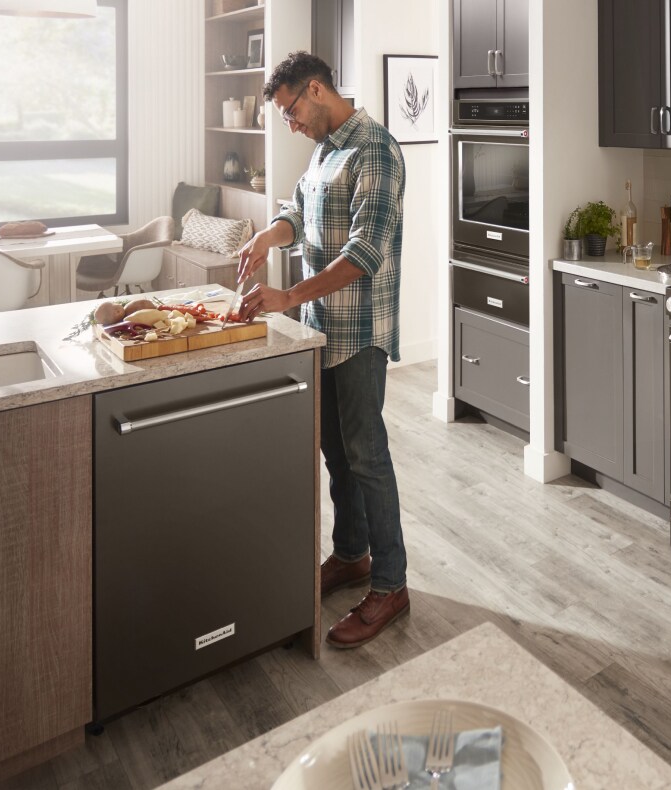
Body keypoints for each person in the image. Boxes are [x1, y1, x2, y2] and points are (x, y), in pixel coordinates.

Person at [236, 51, 408, 649]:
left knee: (367, 456)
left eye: (290, 111)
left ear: (316, 88)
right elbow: (298, 213)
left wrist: (288, 295)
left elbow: (365, 254)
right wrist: (268, 234)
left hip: (358, 332)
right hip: (320, 329)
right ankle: (351, 554)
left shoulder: (376, 151)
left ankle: (390, 584)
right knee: (335, 451)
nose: (290, 123)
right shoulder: (325, 149)